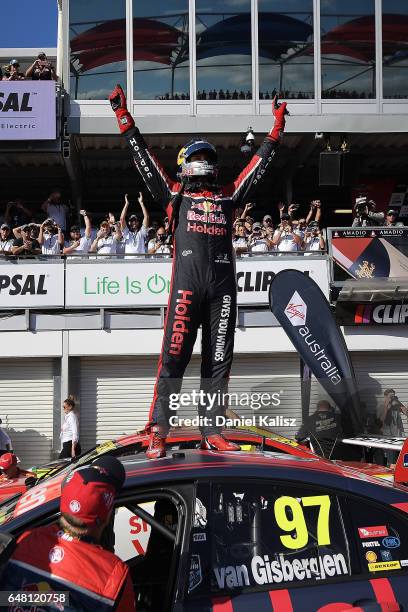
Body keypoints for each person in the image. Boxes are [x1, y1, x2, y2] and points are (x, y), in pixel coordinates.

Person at [110, 83, 288, 458]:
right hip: (187, 289)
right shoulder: (175, 194)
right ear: (186, 164)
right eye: (198, 157)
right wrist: (123, 117)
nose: (204, 163)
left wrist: (276, 130)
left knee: (219, 360)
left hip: (223, 291)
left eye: (207, 157)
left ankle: (213, 430)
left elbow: (257, 168)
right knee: (173, 355)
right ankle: (159, 429)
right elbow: (142, 158)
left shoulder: (228, 195)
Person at [0, 457, 135, 611]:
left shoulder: (27, 539)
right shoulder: (113, 575)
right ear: (107, 517)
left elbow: (6, 598)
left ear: (62, 506)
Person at [120, 192, 149, 256]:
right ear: (129, 222)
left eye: (135, 220)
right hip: (128, 262)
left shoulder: (142, 232)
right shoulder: (126, 233)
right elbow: (122, 219)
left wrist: (141, 203)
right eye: (132, 221)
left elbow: (146, 217)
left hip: (141, 262)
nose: (134, 222)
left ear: (138, 222)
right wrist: (126, 204)